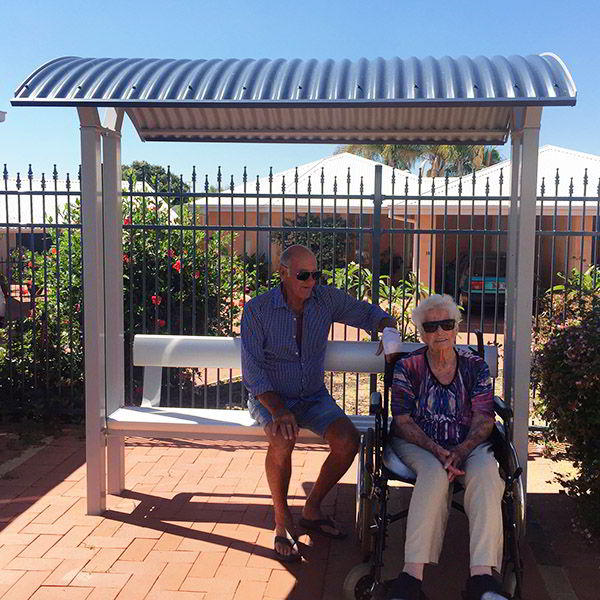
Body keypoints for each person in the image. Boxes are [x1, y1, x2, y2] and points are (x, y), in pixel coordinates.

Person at [241, 245, 396, 563]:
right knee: (283, 437)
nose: (311, 281)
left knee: (348, 440)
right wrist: (279, 410)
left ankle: (312, 509)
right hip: (272, 398)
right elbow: (253, 372)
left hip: (313, 396)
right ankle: (282, 521)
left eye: (316, 274)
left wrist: (387, 328)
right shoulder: (257, 310)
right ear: (283, 273)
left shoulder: (325, 299)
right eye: (303, 275)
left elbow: (367, 313)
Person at [383, 294, 508, 600]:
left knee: (487, 476)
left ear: (456, 328)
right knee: (434, 474)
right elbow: (401, 419)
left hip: (469, 444)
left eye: (446, 324)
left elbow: (484, 418)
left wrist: (461, 451)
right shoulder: (407, 367)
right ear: (422, 332)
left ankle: (482, 579)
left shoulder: (475, 367)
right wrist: (437, 450)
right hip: (419, 443)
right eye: (431, 326)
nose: (439, 332)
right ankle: (411, 578)